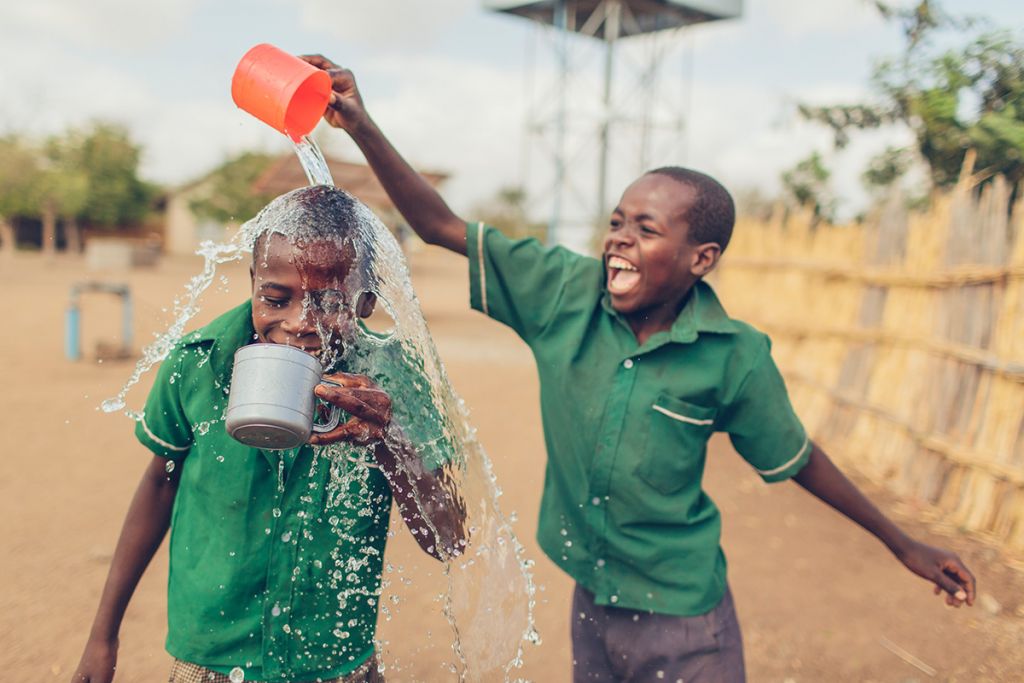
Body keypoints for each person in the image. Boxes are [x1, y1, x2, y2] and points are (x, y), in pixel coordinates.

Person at [299, 55, 978, 683]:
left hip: (686, 621)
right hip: (590, 601)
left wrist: (902, 542)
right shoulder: (561, 290)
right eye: (618, 221)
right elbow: (441, 224)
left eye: (647, 230)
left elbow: (797, 457)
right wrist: (360, 123)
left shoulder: (733, 355)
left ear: (700, 258)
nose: (619, 238)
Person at [72, 185, 465, 683]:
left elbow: (449, 538)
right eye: (275, 298)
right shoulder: (198, 363)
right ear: (254, 280)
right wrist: (102, 635)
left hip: (334, 666)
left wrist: (389, 439)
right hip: (210, 662)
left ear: (365, 301)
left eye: (328, 302)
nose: (299, 323)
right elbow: (158, 484)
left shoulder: (393, 381)